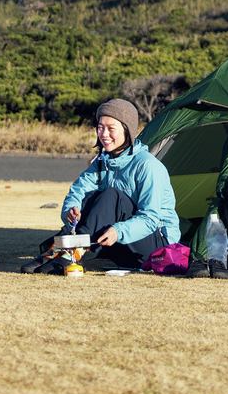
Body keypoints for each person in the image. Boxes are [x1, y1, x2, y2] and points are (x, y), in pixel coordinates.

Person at [61, 98, 179, 268]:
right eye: (100, 128)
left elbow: (150, 219)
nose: (104, 134)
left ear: (127, 130)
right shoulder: (102, 161)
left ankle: (72, 249)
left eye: (111, 129)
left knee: (111, 195)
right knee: (91, 196)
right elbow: (79, 189)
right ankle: (64, 247)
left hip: (157, 249)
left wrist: (119, 231)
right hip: (120, 246)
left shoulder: (148, 166)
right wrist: (71, 209)